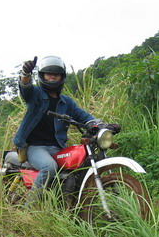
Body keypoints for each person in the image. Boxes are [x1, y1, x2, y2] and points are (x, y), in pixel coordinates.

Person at [12, 55, 100, 198]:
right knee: (49, 167)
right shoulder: (36, 95)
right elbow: (25, 88)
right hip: (36, 147)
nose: (53, 76)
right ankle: (30, 205)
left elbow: (84, 117)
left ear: (62, 77)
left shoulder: (66, 102)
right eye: (49, 73)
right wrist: (26, 74)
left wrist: (100, 125)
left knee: (80, 164)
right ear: (42, 76)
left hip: (58, 148)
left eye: (56, 74)